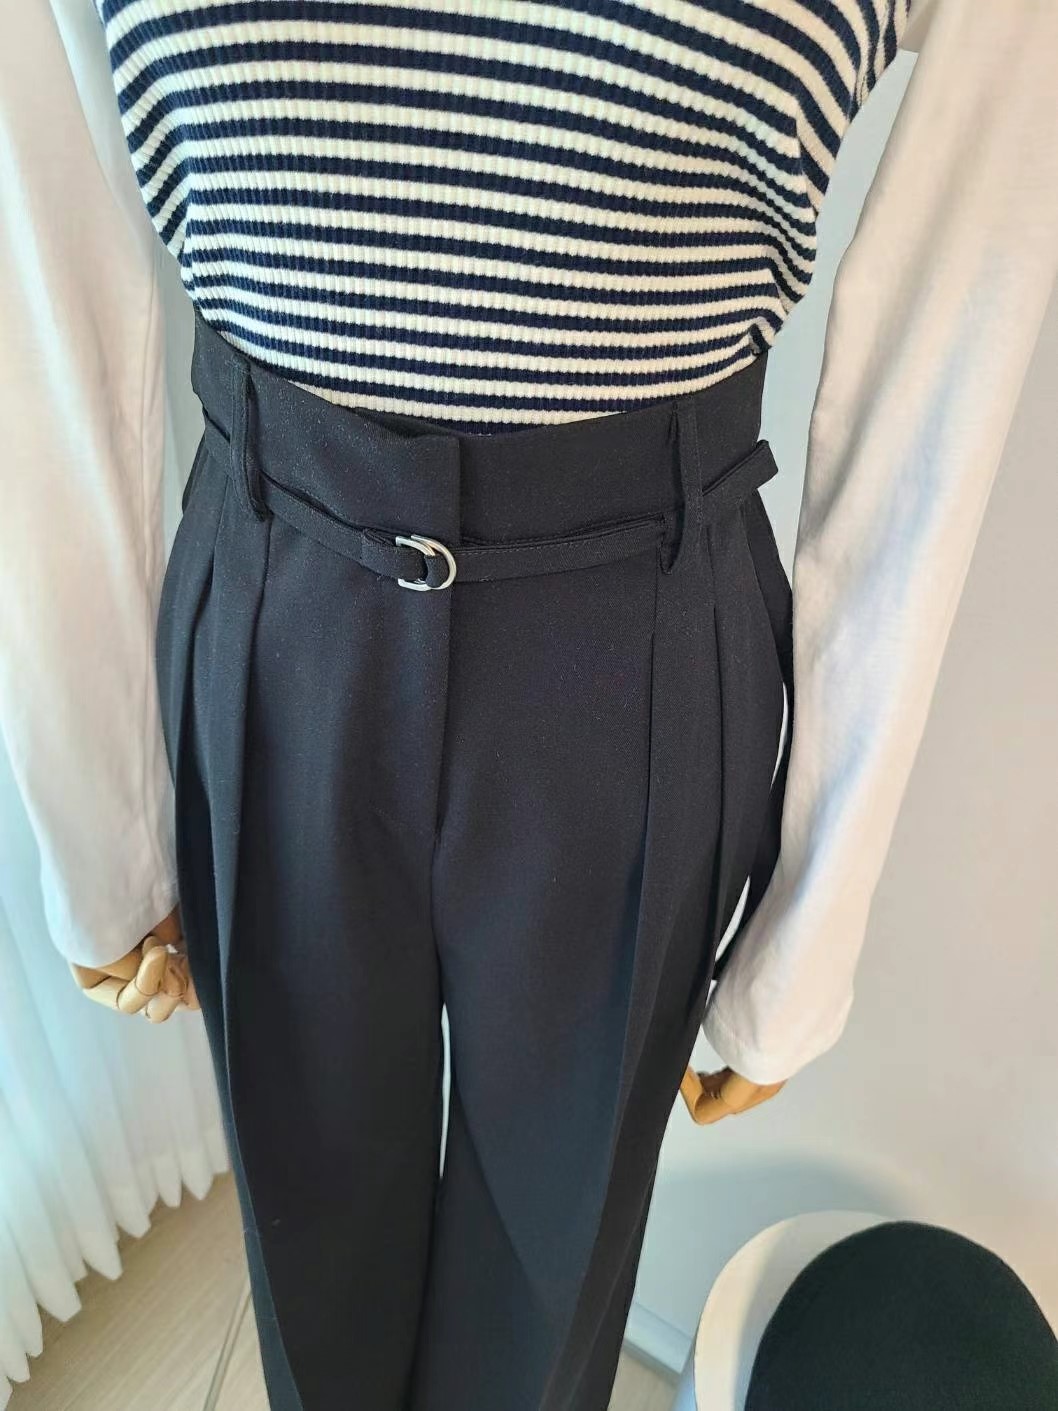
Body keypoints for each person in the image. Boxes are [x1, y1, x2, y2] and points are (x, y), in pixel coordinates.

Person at [2, 2, 1056, 1406]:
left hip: (634, 646)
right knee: (310, 1237)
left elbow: (943, 353)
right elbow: (41, 260)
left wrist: (812, 924)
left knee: (546, 1283)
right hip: (278, 599)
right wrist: (101, 820)